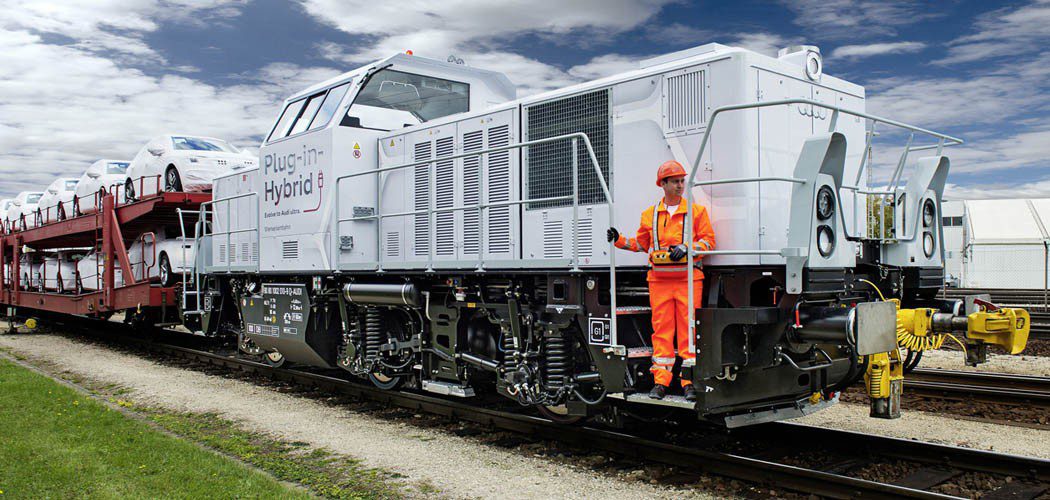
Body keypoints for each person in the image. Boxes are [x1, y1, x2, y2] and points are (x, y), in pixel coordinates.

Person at [607, 160, 715, 401]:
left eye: (681, 181)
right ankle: (661, 382)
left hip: (688, 280)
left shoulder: (696, 212)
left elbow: (709, 242)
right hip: (659, 281)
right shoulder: (650, 215)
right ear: (663, 184)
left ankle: (689, 382)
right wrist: (619, 240)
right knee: (662, 332)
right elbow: (642, 245)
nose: (680, 185)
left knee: (689, 331)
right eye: (675, 181)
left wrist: (687, 248)